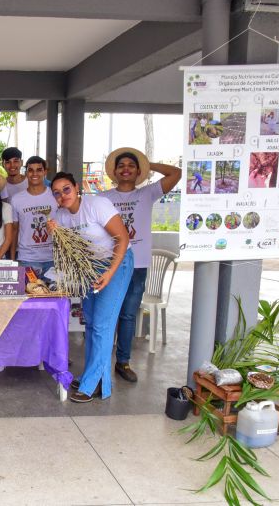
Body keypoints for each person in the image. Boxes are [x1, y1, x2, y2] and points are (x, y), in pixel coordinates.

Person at [98, 147, 182, 383]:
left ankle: (123, 362)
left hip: (139, 264)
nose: (126, 169)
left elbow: (176, 173)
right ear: (114, 172)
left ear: (137, 172)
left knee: (127, 315)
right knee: (107, 314)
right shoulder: (103, 198)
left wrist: (148, 165)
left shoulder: (148, 193)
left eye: (131, 166)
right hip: (111, 263)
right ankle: (101, 361)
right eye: (121, 166)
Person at [49, 172, 132, 403]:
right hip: (90, 268)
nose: (62, 195)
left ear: (76, 187)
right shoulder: (61, 215)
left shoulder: (97, 205)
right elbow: (67, 250)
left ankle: (91, 383)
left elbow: (122, 239)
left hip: (116, 263)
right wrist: (55, 233)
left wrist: (109, 273)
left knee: (103, 326)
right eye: (57, 192)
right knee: (92, 324)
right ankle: (96, 379)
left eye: (66, 189)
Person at [10, 156, 56, 279]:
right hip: (27, 259)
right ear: (26, 173)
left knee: (54, 296)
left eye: (39, 170)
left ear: (45, 172)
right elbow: (14, 230)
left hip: (53, 259)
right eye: (30, 170)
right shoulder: (16, 199)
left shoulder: (55, 195)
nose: (34, 173)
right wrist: (13, 259)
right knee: (28, 296)